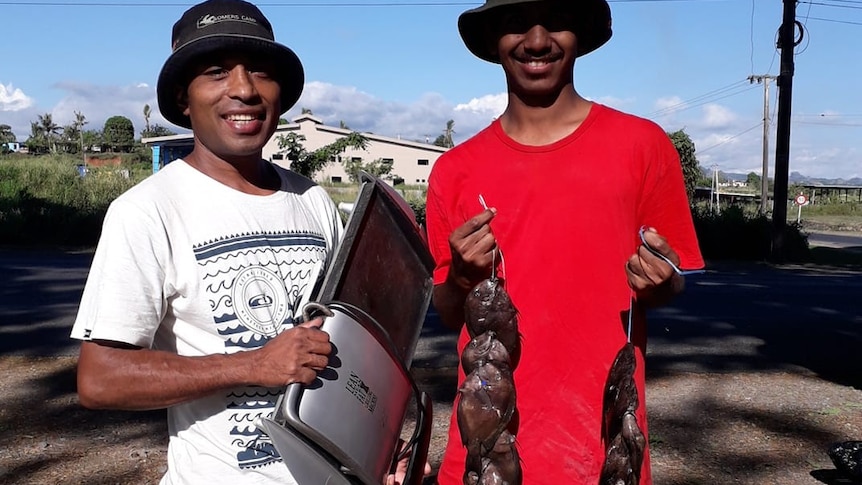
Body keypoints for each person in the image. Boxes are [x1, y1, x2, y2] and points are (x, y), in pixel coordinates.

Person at [71, 1, 419, 483]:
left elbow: (352, 343)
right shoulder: (147, 211)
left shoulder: (313, 199)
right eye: (216, 72)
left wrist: (377, 451)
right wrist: (252, 364)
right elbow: (100, 379)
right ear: (183, 98)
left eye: (260, 71)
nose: (244, 89)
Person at [425, 0, 706, 483]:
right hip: (484, 453)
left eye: (554, 20)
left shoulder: (642, 146)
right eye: (516, 24)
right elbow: (450, 311)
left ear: (578, 32)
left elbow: (671, 283)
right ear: (494, 39)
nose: (536, 41)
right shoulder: (455, 171)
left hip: (602, 451)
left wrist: (661, 280)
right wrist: (465, 276)